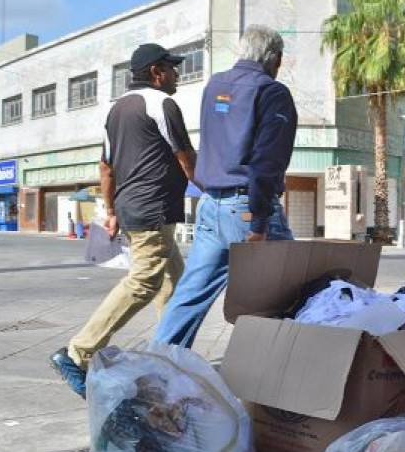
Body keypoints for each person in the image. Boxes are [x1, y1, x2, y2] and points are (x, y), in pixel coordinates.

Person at [50, 43, 197, 398]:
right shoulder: (161, 103)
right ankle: (77, 353)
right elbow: (185, 156)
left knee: (171, 282)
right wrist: (214, 188)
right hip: (153, 206)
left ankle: (169, 360)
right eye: (172, 69)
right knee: (144, 279)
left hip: (134, 207)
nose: (177, 75)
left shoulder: (116, 111)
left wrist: (112, 211)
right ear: (156, 72)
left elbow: (106, 166)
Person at [153, 25, 297, 349]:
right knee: (295, 290)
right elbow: (266, 162)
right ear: (275, 58)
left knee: (189, 297)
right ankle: (284, 378)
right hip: (248, 208)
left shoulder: (215, 85)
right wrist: (259, 223)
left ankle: (154, 373)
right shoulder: (272, 92)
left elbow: (214, 144)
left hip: (210, 206)